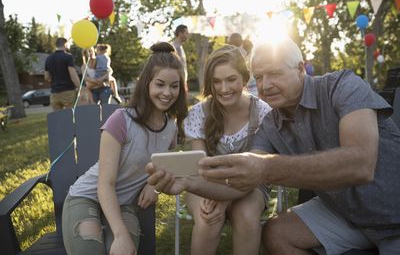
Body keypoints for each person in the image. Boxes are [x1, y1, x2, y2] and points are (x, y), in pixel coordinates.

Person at [146, 37, 400, 254]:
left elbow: (360, 164)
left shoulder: (342, 87)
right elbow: (243, 179)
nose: (266, 85)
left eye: (275, 74)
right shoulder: (271, 124)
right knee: (276, 233)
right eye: (260, 77)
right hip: (343, 215)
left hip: (393, 216)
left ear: (300, 69)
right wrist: (188, 183)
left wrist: (266, 168)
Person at [62, 42, 188, 255]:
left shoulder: (171, 128)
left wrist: (154, 186)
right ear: (147, 83)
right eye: (160, 84)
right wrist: (120, 235)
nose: (167, 92)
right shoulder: (121, 121)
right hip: (87, 196)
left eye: (174, 85)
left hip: (124, 204)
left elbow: (164, 164)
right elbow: (105, 183)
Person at [183, 45, 271, 255]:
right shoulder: (198, 113)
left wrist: (225, 197)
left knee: (247, 214)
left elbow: (258, 168)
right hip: (205, 182)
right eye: (216, 81)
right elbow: (200, 167)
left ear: (244, 78)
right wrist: (216, 195)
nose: (224, 88)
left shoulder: (261, 112)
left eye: (231, 79)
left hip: (252, 184)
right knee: (208, 218)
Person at [45, 37, 80, 111]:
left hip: (54, 93)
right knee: (69, 117)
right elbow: (73, 75)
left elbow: (46, 77)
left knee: (57, 119)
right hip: (68, 91)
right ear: (65, 45)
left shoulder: (48, 58)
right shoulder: (68, 57)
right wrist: (79, 87)